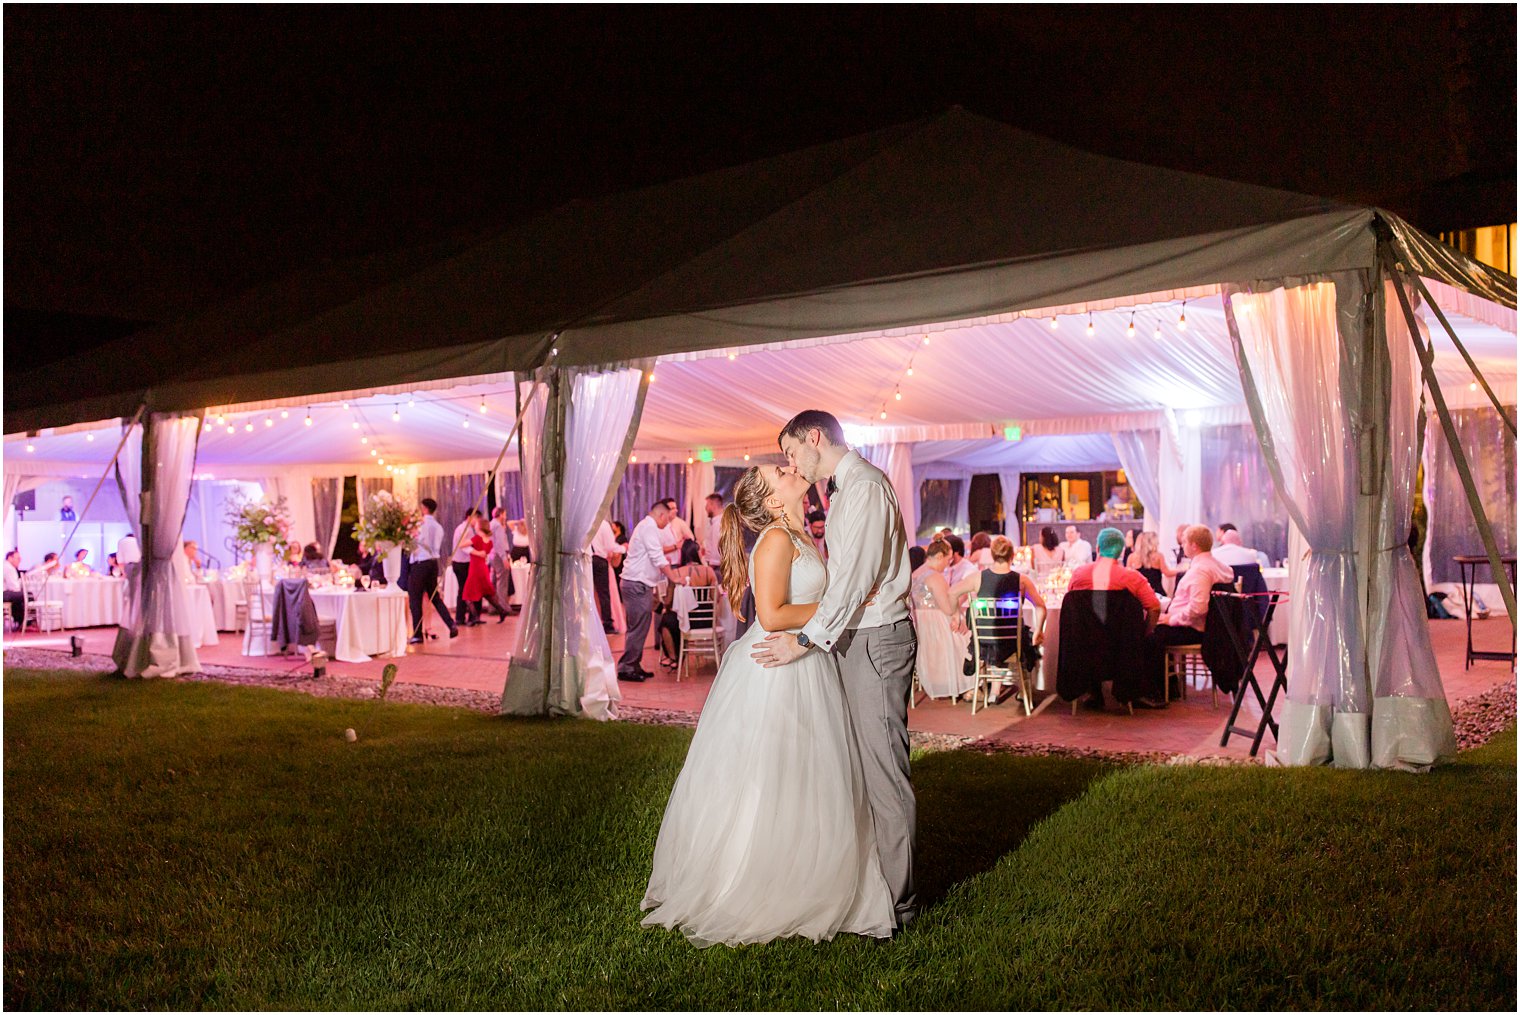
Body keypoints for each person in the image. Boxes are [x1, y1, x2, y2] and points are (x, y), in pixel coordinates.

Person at [642, 462, 895, 947]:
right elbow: (773, 613)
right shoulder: (777, 539)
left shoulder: (800, 536)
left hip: (806, 658)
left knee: (810, 771)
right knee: (773, 774)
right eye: (780, 470)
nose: (790, 466)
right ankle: (760, 881)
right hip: (777, 666)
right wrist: (847, 606)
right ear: (775, 500)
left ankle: (812, 872)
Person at [754, 409, 918, 932]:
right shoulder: (843, 491)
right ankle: (876, 886)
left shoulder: (865, 488)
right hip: (857, 639)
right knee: (864, 767)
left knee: (885, 774)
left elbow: (853, 585)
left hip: (874, 641)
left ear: (815, 438)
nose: (790, 462)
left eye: (790, 451)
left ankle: (900, 907)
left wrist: (804, 642)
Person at [948, 535, 1047, 701]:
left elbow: (951, 593)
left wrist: (956, 616)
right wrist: (1038, 630)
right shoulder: (1021, 580)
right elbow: (1040, 606)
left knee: (996, 638)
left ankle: (994, 691)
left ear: (992, 555)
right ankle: (1023, 691)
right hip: (1012, 643)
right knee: (1028, 638)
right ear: (1012, 556)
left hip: (985, 643)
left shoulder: (978, 578)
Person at [1143, 524, 1234, 704]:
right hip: (1211, 627)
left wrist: (1171, 619)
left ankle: (1155, 692)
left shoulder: (1200, 570)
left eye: (1184, 542)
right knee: (1157, 630)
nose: (1182, 545)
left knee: (1150, 637)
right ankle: (1171, 686)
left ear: (1194, 546)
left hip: (1195, 628)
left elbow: (1198, 608)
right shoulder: (1222, 567)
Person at [617, 500, 691, 682]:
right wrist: (674, 578)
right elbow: (657, 557)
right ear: (661, 515)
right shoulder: (649, 528)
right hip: (636, 584)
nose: (667, 524)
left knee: (641, 628)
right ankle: (626, 668)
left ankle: (633, 664)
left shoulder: (645, 526)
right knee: (637, 628)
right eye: (667, 519)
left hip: (639, 583)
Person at [910, 539, 973, 700]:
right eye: (947, 559)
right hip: (936, 627)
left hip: (920, 626)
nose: (948, 564)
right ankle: (969, 686)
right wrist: (963, 595)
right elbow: (948, 608)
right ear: (939, 556)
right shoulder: (934, 577)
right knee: (968, 639)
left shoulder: (915, 574)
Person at [655, 539, 718, 668]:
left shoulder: (677, 573)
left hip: (685, 620)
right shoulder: (709, 572)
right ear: (697, 554)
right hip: (705, 620)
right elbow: (715, 599)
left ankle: (674, 658)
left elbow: (669, 602)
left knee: (666, 621)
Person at [407, 498, 459, 644]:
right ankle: (451, 624)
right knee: (434, 597)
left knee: (415, 599)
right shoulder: (438, 526)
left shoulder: (420, 524)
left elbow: (414, 543)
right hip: (433, 563)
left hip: (420, 563)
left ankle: (417, 634)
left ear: (424, 508)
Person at [461, 514, 498, 626]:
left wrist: (464, 537)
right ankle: (501, 611)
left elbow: (461, 545)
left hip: (475, 568)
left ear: (479, 526)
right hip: (483, 568)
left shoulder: (476, 538)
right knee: (484, 592)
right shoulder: (489, 541)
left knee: (467, 594)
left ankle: (475, 617)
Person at [590, 516, 623, 634]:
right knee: (604, 594)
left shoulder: (584, 521)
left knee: (588, 593)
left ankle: (590, 623)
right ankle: (607, 624)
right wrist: (623, 548)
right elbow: (610, 546)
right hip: (599, 560)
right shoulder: (603, 524)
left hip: (585, 560)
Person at [450, 509, 479, 628]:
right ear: (469, 517)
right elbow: (462, 546)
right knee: (464, 590)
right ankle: (461, 617)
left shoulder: (467, 529)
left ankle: (461, 617)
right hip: (461, 563)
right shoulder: (463, 529)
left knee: (463, 590)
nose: (477, 521)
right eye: (476, 518)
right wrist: (476, 552)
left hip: (463, 562)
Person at [1125, 530, 1168, 596]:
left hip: (1138, 594)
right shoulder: (1158, 556)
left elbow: (1127, 578)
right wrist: (1181, 570)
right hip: (1156, 593)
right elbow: (1167, 572)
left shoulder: (1131, 557)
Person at [660, 497, 695, 567]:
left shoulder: (678, 523)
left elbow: (691, 539)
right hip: (664, 564)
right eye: (672, 508)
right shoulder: (659, 526)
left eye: (676, 508)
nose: (676, 510)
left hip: (677, 563)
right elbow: (657, 549)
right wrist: (677, 546)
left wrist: (684, 542)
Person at [701, 493, 724, 570]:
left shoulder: (718, 523)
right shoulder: (718, 521)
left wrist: (710, 569)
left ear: (713, 505)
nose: (705, 508)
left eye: (707, 505)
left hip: (717, 566)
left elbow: (717, 548)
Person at [4, 549, 24, 628]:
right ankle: (25, 622)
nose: (19, 561)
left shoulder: (5, 565)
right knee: (27, 596)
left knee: (19, 597)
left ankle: (20, 621)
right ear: (10, 558)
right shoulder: (9, 568)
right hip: (3, 593)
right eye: (18, 558)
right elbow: (14, 587)